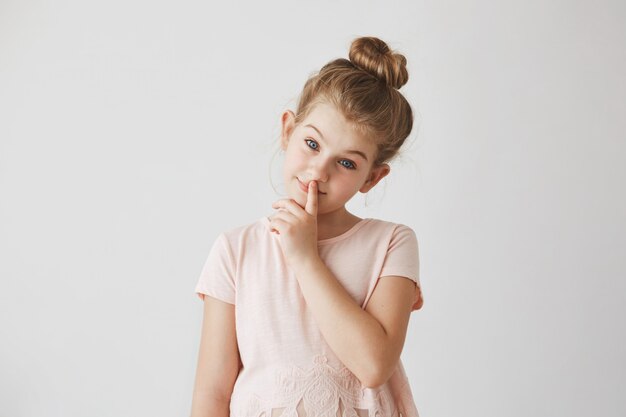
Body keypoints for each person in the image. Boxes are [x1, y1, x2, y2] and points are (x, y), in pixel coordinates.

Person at [190, 36, 424, 417]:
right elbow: (213, 395)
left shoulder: (391, 244)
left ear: (372, 178)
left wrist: (305, 258)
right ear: (288, 130)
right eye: (312, 144)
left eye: (346, 163)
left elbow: (374, 365)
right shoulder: (236, 250)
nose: (319, 171)